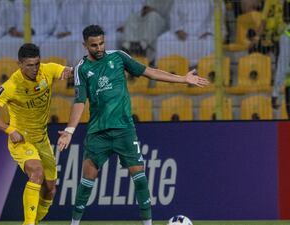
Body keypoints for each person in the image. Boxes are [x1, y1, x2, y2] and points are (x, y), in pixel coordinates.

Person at [57, 25, 209, 225]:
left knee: (140, 178)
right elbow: (79, 102)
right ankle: (74, 224)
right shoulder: (81, 69)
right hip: (97, 133)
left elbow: (150, 72)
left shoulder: (118, 57)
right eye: (94, 45)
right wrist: (69, 131)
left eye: (102, 43)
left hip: (124, 131)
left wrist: (183, 79)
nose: (99, 47)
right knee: (87, 181)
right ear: (85, 45)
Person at [0, 43, 73, 225]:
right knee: (36, 173)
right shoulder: (11, 85)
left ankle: (34, 222)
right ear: (19, 64)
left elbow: (69, 71)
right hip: (21, 139)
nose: (34, 69)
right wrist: (10, 130)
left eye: (37, 63)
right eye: (29, 65)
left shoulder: (48, 70)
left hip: (42, 138)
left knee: (50, 190)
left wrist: (72, 71)